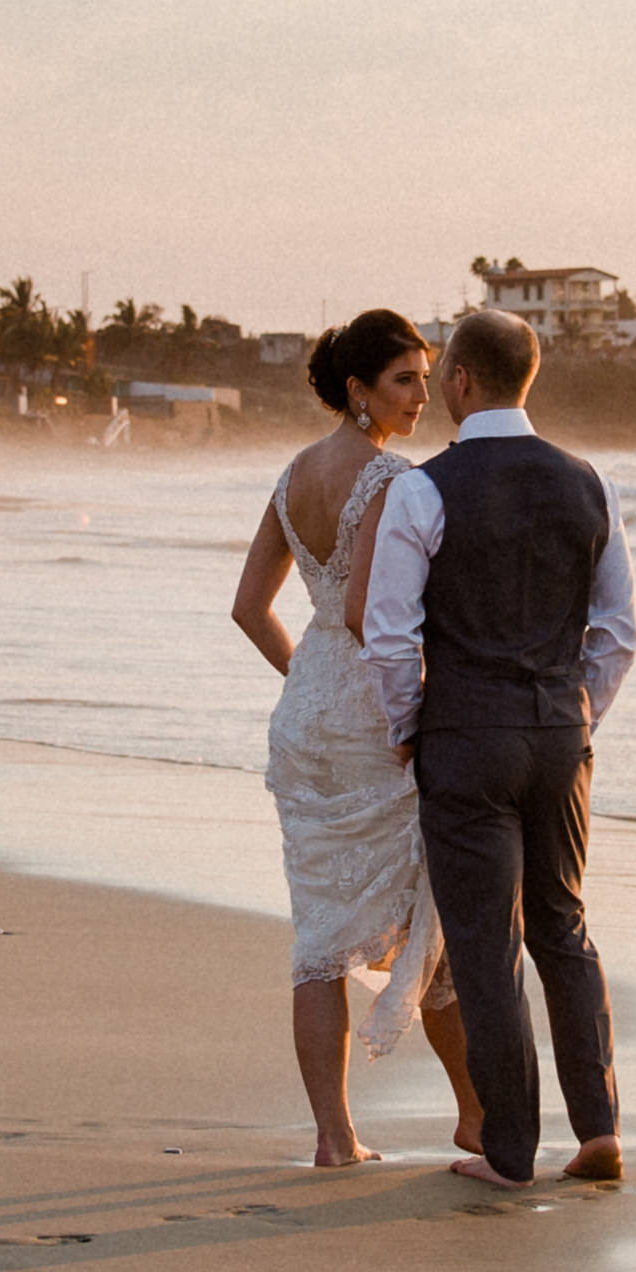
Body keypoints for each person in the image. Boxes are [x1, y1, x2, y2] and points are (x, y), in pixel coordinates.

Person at [360, 305, 636, 1188]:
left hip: (466, 737)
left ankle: (511, 1152)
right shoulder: (590, 482)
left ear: (463, 380)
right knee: (564, 926)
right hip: (560, 734)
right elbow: (620, 632)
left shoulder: (423, 488)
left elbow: (392, 636)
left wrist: (410, 729)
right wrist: (573, 710)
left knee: (487, 944)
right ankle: (597, 1128)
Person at [228, 308, 478, 1167]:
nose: (420, 395)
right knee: (429, 915)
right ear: (357, 389)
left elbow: (248, 607)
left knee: (319, 936)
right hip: (374, 717)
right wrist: (406, 709)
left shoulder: (294, 474)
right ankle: (476, 1115)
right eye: (403, 380)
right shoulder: (391, 480)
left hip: (307, 717)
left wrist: (310, 678)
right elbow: (380, 617)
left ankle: (334, 1138)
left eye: (424, 376)